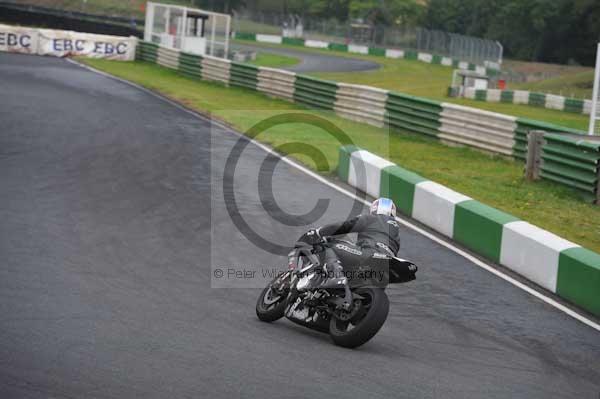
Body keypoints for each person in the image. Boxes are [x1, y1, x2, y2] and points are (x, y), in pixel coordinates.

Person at [298, 197, 401, 288]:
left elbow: (345, 226)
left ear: (375, 208)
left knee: (328, 245)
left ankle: (335, 276)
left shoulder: (372, 218)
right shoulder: (396, 233)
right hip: (386, 266)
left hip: (367, 254)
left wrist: (318, 232)